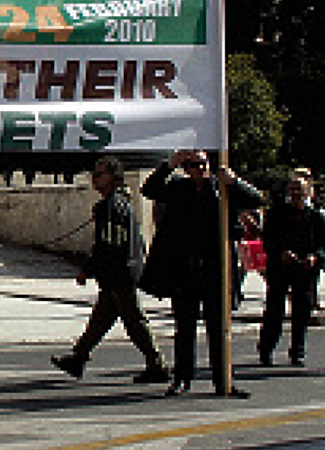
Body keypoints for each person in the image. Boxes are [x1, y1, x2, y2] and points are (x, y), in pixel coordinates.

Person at [140, 150, 265, 396]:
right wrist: (168, 165)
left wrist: (234, 181)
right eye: (192, 165)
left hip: (216, 267)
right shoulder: (178, 188)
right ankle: (182, 378)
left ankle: (222, 380)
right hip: (186, 267)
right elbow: (149, 190)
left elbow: (256, 200)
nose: (199, 169)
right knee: (184, 327)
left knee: (218, 328)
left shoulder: (222, 189)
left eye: (202, 164)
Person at [53, 156, 167, 383]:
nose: (94, 178)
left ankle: (157, 364)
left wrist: (88, 269)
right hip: (118, 272)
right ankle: (78, 357)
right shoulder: (119, 203)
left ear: (113, 178)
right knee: (100, 321)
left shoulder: (112, 206)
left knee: (134, 321)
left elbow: (107, 245)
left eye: (100, 174)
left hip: (119, 273)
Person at [256, 174, 325, 368]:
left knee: (302, 312)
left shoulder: (317, 216)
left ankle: (297, 351)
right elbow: (267, 240)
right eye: (293, 189)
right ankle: (266, 349)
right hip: (280, 269)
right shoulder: (276, 213)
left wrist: (314, 257)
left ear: (308, 192)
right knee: (274, 310)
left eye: (300, 189)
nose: (296, 193)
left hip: (305, 270)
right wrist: (281, 253)